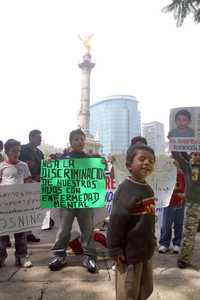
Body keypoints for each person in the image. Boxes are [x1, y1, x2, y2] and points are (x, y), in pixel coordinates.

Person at [107, 144, 156, 300]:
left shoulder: (148, 189)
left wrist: (152, 241)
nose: (147, 163)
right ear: (129, 165)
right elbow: (116, 222)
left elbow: (148, 219)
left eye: (151, 161)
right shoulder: (125, 190)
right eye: (142, 159)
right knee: (128, 291)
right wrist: (115, 249)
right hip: (129, 254)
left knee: (145, 288)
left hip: (145, 251)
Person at [48, 129, 97, 273]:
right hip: (67, 201)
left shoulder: (90, 159)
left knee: (87, 230)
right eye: (76, 139)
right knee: (63, 230)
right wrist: (51, 164)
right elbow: (55, 177)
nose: (80, 142)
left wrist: (106, 164)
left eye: (82, 139)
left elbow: (97, 175)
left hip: (85, 200)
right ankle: (59, 255)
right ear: (71, 142)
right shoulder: (63, 158)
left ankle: (89, 256)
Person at [0, 139, 32, 268]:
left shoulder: (23, 166)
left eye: (19, 151)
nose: (17, 154)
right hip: (4, 206)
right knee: (2, 233)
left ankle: (21, 256)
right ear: (6, 152)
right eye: (14, 151)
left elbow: (28, 181)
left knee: (21, 233)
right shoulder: (1, 166)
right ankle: (1, 256)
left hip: (20, 205)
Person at [172, 152, 200, 268]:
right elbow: (177, 155)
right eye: (195, 154)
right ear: (191, 155)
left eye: (199, 154)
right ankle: (183, 259)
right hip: (193, 205)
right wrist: (174, 140)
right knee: (189, 233)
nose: (197, 156)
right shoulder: (187, 167)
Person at [19, 129, 44, 242]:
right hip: (23, 183)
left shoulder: (40, 153)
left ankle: (29, 233)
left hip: (36, 184)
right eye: (38, 137)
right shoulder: (22, 149)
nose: (40, 139)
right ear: (31, 138)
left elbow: (43, 167)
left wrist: (40, 176)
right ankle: (18, 234)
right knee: (22, 210)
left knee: (31, 209)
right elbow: (16, 164)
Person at [158, 162, 185, 254]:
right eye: (170, 165)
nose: (172, 167)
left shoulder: (181, 175)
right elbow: (163, 188)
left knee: (178, 225)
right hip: (168, 203)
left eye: (174, 165)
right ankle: (164, 244)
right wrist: (175, 190)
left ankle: (177, 244)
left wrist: (172, 189)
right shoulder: (165, 176)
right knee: (166, 225)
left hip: (180, 204)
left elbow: (182, 188)